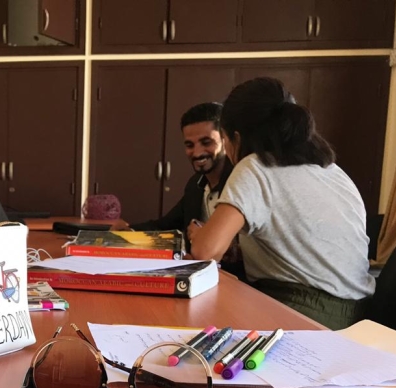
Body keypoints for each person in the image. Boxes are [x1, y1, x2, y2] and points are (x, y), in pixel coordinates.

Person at [189, 77, 374, 329]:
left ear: (235, 137)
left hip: (306, 311)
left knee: (195, 316)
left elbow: (206, 252)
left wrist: (200, 235)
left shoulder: (255, 166)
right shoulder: (331, 170)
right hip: (360, 315)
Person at [131, 102, 243, 278]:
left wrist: (207, 239)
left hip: (240, 286)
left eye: (206, 142)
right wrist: (126, 232)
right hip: (201, 280)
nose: (197, 153)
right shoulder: (195, 185)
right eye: (190, 145)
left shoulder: (241, 183)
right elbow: (166, 225)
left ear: (225, 140)